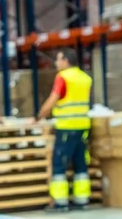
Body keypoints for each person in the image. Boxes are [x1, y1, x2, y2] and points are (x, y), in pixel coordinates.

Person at [34, 51, 92, 208]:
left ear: (66, 61)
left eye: (58, 60)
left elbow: (53, 99)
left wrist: (39, 116)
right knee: (80, 164)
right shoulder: (85, 78)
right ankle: (82, 200)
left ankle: (60, 202)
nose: (56, 63)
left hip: (66, 127)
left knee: (59, 163)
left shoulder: (63, 77)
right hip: (83, 127)